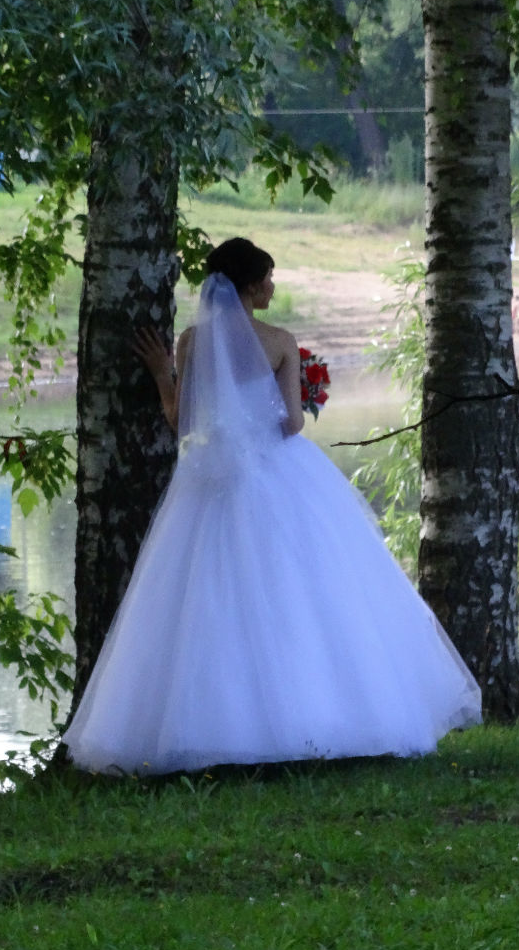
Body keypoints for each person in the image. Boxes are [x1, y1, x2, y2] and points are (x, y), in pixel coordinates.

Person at [61, 237, 481, 774]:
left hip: (209, 478)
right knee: (305, 592)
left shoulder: (191, 342)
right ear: (253, 285)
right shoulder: (280, 341)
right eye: (269, 278)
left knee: (207, 599)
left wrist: (162, 372)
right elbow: (291, 423)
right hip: (277, 472)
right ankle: (323, 718)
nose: (273, 287)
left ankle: (212, 729)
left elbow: (181, 422)